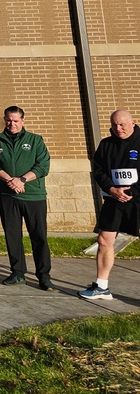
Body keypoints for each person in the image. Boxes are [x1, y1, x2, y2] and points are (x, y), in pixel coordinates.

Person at [0, 105, 53, 290]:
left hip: (33, 195)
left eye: (16, 120)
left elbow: (43, 166)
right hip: (7, 195)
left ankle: (44, 276)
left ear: (23, 120)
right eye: (8, 120)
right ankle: (17, 273)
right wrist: (9, 180)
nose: (12, 124)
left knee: (38, 236)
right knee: (12, 235)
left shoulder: (35, 140)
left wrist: (22, 180)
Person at [78, 109, 139, 300]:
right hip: (114, 200)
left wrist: (133, 191)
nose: (118, 128)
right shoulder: (106, 144)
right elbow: (98, 171)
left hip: (137, 200)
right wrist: (112, 189)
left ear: (133, 122)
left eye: (122, 124)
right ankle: (101, 287)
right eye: (114, 125)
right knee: (104, 240)